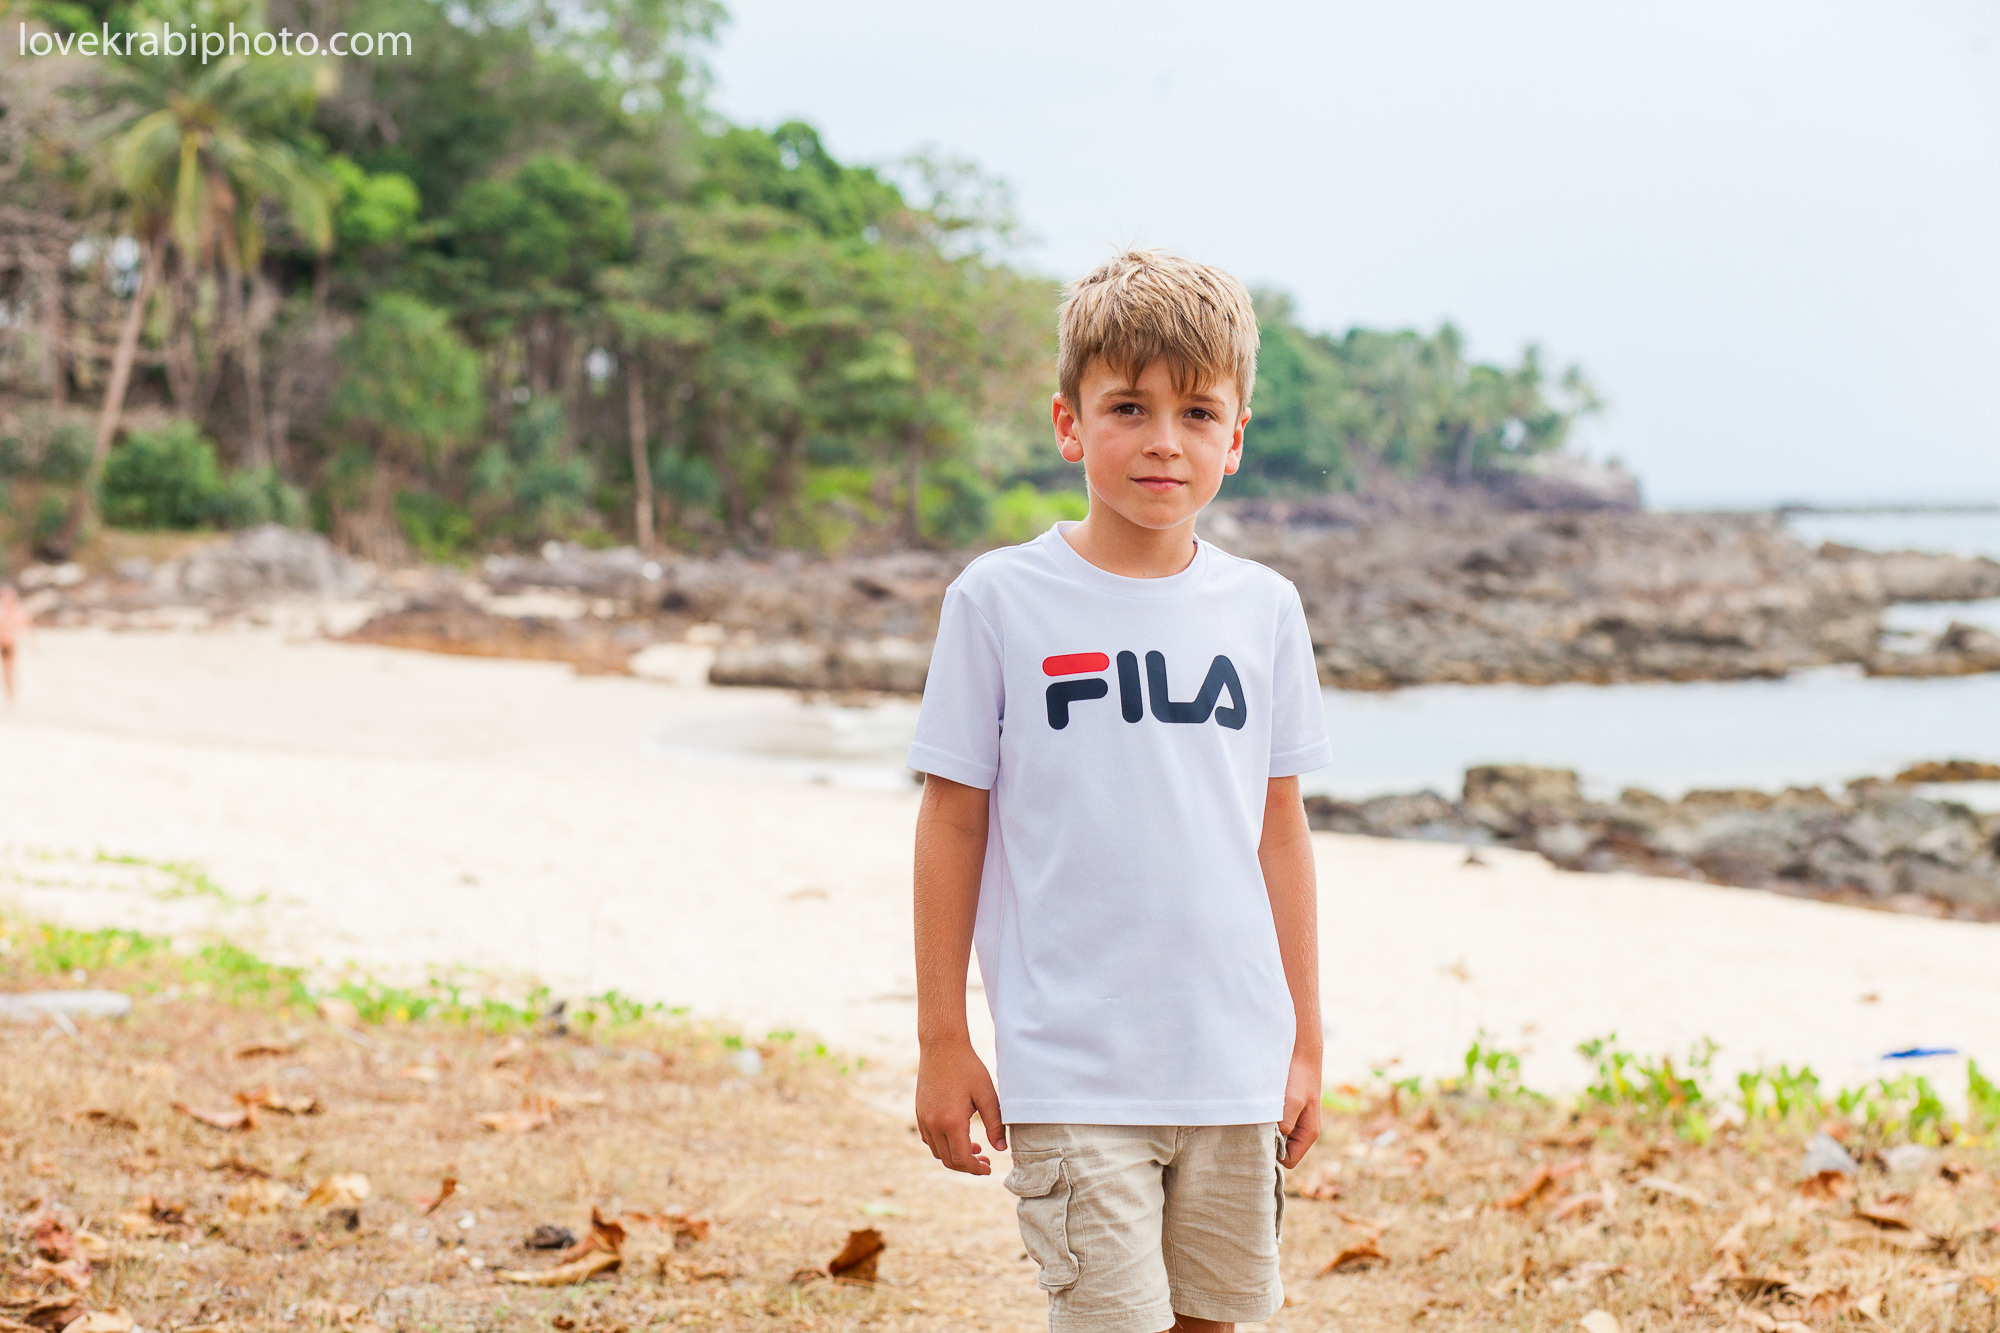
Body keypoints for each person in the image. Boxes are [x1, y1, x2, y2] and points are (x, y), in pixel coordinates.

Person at [909, 250, 1331, 1333]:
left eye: (1196, 412)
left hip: (1230, 1058)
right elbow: (953, 821)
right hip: (1072, 1059)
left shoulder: (1263, 609)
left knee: (1208, 1321)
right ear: (1067, 422)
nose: (1161, 440)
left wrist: (1304, 1035)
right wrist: (942, 1038)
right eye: (1127, 407)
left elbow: (1277, 834)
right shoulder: (999, 601)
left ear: (1234, 438)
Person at [0, 585, 32, 705]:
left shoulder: (18, 612)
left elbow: (28, 627)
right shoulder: (4, 611)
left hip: (9, 644)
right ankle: (9, 695)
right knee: (6, 673)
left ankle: (11, 696)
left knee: (9, 672)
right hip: (4, 643)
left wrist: (32, 645)